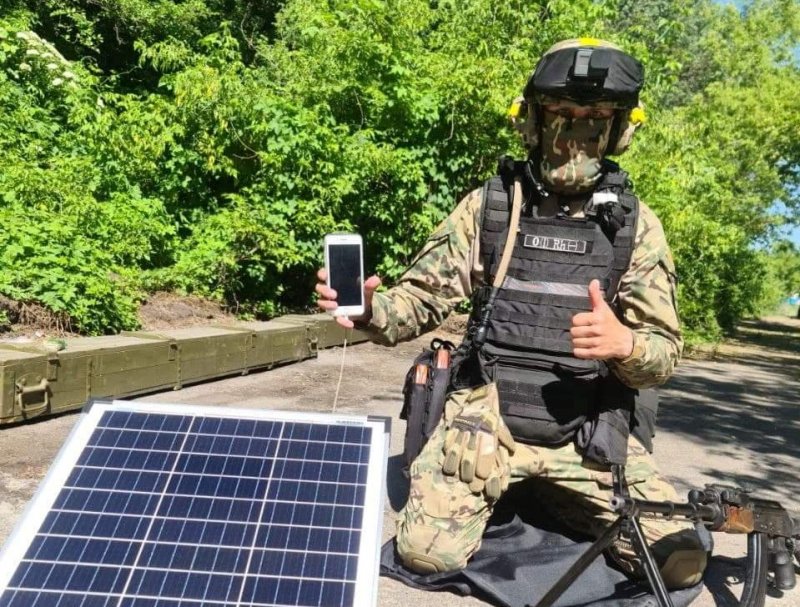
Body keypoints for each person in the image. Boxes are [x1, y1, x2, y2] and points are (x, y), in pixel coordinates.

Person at [316, 38, 707, 590]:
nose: (576, 134)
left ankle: (551, 495)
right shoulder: (492, 206)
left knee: (680, 560)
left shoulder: (636, 227)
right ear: (533, 121)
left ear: (619, 129)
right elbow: (420, 300)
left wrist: (626, 345)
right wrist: (370, 311)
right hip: (487, 424)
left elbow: (663, 355)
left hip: (587, 434)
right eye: (561, 114)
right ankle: (519, 492)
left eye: (596, 118)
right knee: (425, 555)